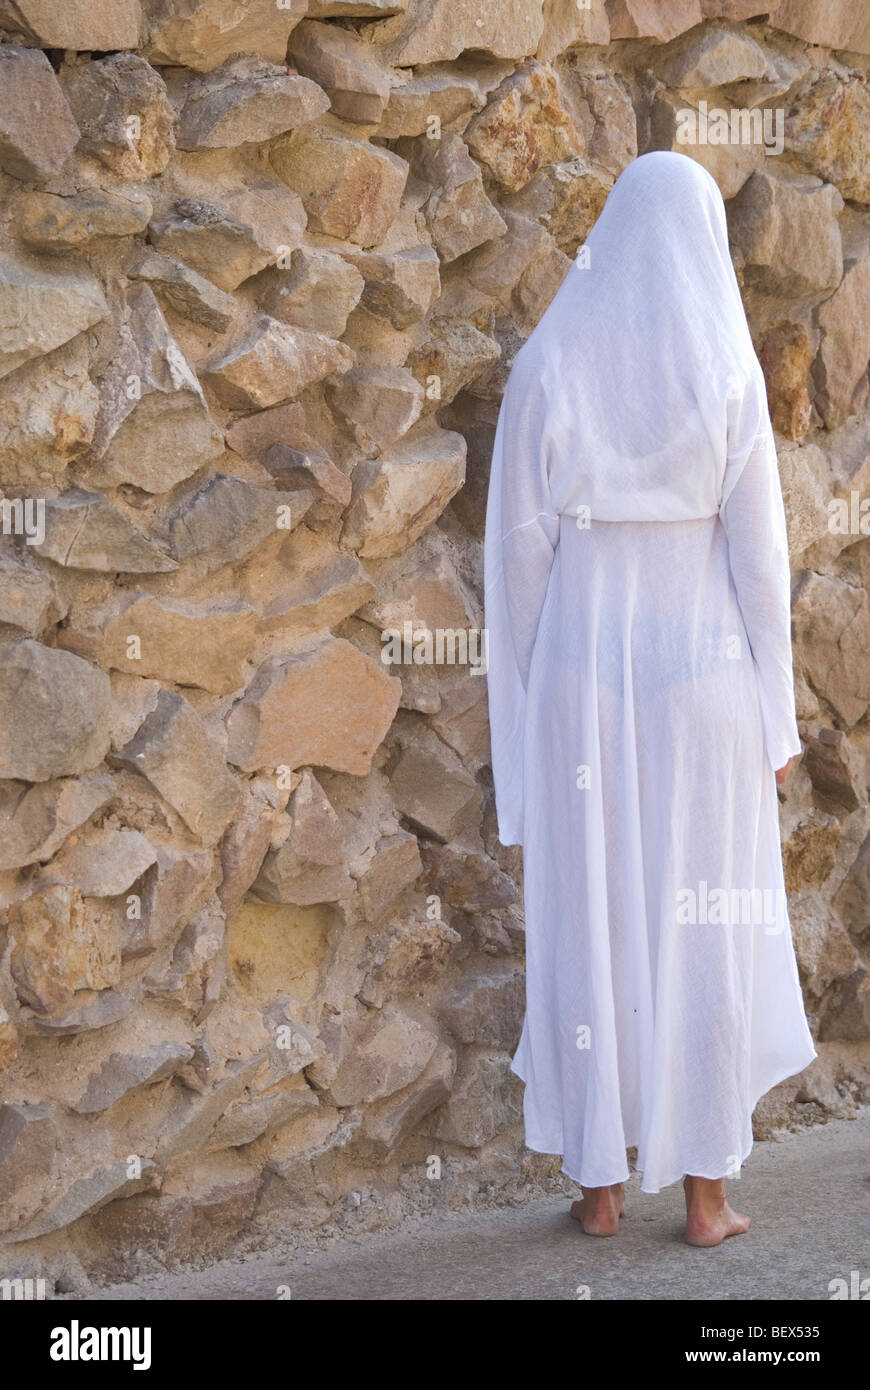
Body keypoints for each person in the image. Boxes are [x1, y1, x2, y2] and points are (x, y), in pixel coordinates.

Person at [483, 151, 816, 1247]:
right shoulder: (726, 369)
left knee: (591, 915)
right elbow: (763, 566)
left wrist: (525, 722)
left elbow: (518, 568)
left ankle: (597, 1186)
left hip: (585, 679)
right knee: (704, 924)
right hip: (704, 675)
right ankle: (707, 1201)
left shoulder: (551, 363)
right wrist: (777, 715)